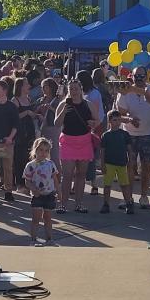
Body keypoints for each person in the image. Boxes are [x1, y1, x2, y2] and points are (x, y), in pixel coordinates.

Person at [115, 66, 150, 209]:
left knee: (147, 166)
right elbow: (119, 115)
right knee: (129, 166)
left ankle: (144, 196)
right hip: (130, 134)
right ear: (132, 77)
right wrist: (129, 119)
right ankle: (127, 197)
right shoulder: (125, 91)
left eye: (142, 76)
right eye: (137, 77)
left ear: (147, 76)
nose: (139, 79)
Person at [55, 79, 98, 214]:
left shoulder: (88, 104)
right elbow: (56, 123)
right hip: (68, 142)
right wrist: (63, 112)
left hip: (84, 142)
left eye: (76, 89)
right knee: (67, 175)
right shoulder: (63, 104)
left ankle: (79, 204)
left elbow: (97, 121)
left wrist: (93, 123)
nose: (73, 91)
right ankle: (63, 204)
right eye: (71, 89)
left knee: (81, 174)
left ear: (81, 90)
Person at [23, 137, 59, 245]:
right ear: (35, 150)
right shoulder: (30, 165)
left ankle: (49, 239)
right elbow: (27, 181)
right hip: (37, 196)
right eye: (41, 150)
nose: (43, 153)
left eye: (46, 150)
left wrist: (59, 192)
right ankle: (33, 239)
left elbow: (55, 179)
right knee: (36, 219)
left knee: (48, 218)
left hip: (49, 195)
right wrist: (33, 189)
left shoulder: (51, 164)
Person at [99, 110, 134, 214]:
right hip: (109, 163)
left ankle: (128, 203)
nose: (117, 122)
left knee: (125, 184)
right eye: (115, 120)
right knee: (107, 185)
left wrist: (131, 162)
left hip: (122, 163)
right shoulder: (105, 135)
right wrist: (102, 164)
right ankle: (106, 204)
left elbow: (129, 149)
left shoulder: (125, 134)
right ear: (110, 121)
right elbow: (102, 151)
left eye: (119, 120)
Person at [77, 70, 105, 196]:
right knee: (77, 157)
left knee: (90, 157)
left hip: (92, 128)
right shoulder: (78, 93)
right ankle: (76, 184)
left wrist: (94, 126)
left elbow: (99, 114)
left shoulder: (95, 94)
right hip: (79, 128)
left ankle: (94, 185)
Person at [12, 78, 40, 193]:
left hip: (29, 130)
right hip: (20, 132)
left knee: (29, 157)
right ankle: (20, 183)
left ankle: (28, 182)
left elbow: (32, 114)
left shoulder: (28, 99)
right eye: (26, 84)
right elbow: (14, 117)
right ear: (20, 86)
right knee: (19, 158)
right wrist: (27, 112)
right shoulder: (15, 100)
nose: (29, 85)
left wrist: (37, 113)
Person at [36, 78, 62, 169]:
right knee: (41, 154)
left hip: (53, 129)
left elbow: (60, 114)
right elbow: (34, 112)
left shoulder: (57, 100)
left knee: (54, 154)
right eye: (42, 86)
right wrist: (38, 111)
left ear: (51, 87)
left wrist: (51, 108)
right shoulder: (40, 100)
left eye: (45, 86)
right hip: (41, 129)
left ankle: (57, 178)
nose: (43, 88)